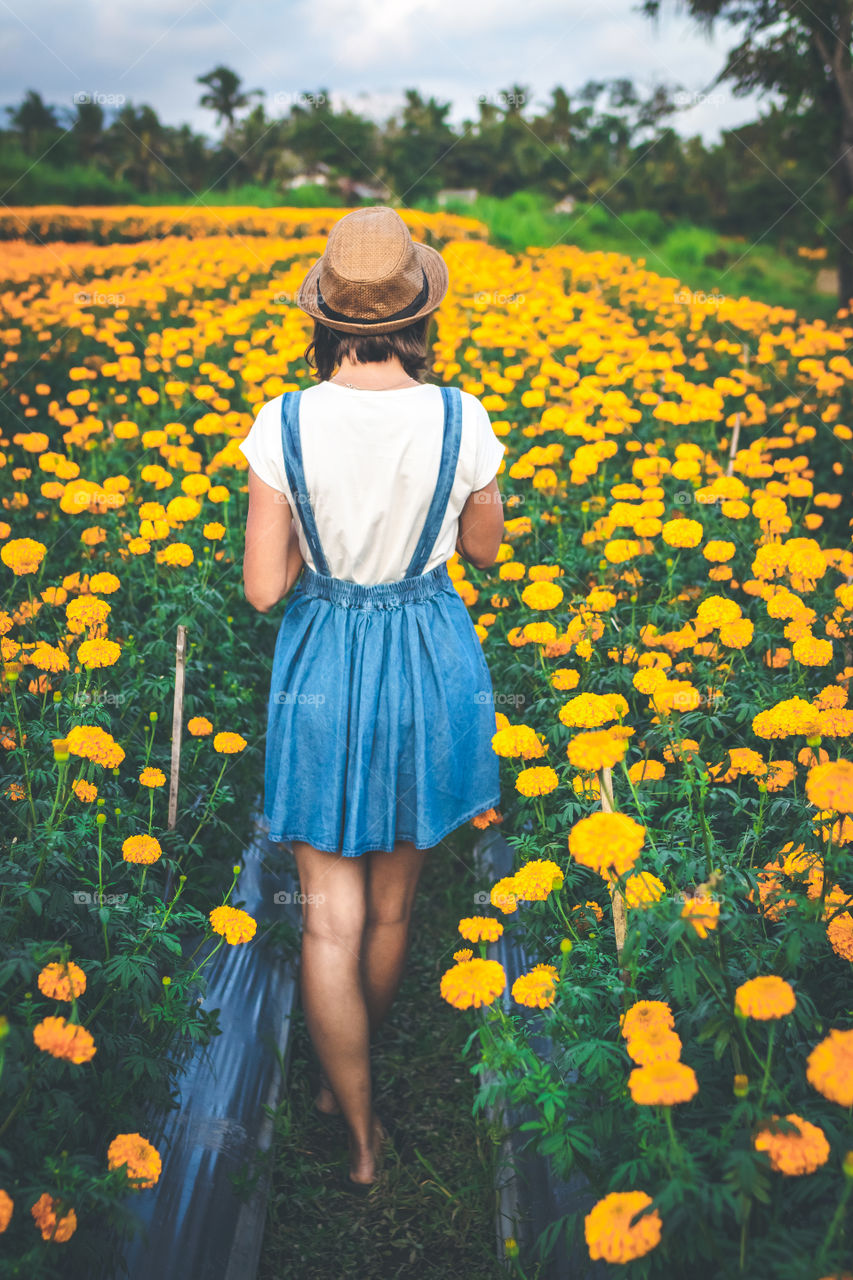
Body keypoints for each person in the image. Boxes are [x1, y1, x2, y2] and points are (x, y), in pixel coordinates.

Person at [238, 205, 506, 1187]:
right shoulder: (460, 415)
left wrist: (321, 528)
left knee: (327, 920)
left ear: (324, 315)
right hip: (429, 655)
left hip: (322, 660)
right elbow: (481, 548)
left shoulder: (286, 419)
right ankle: (350, 1088)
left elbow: (266, 586)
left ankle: (355, 1133)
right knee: (392, 912)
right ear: (418, 313)